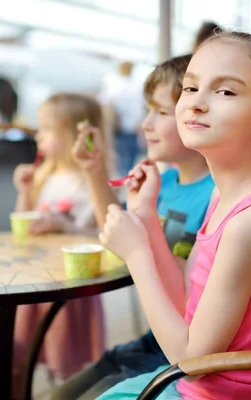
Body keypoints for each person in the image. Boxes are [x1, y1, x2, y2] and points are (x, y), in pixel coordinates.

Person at [98, 31, 251, 399]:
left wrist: (136, 255)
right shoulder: (224, 197)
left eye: (225, 92)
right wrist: (146, 217)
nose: (195, 104)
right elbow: (185, 294)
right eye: (190, 89)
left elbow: (192, 361)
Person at [51, 54, 215, 400]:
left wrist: (138, 248)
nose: (145, 124)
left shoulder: (218, 198)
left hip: (182, 353)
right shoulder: (164, 183)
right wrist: (95, 170)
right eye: (147, 110)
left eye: (159, 111)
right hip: (154, 342)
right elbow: (116, 229)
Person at [11, 93, 114, 393]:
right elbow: (24, 223)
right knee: (29, 353)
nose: (38, 136)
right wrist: (25, 192)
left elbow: (103, 236)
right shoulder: (46, 175)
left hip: (71, 289)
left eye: (46, 129)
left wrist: (63, 225)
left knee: (67, 361)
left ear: (70, 132)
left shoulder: (92, 181)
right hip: (36, 280)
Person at [100, 61, 146, 176]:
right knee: (129, 161)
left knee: (121, 162)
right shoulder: (135, 86)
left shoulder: (113, 85)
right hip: (130, 130)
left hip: (120, 130)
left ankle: (122, 184)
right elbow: (140, 110)